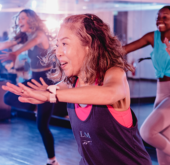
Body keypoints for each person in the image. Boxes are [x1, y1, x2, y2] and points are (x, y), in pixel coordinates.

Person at [3, 13, 152, 165]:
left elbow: (111, 93)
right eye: (57, 45)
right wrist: (44, 91)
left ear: (89, 45)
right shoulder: (71, 84)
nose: (58, 52)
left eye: (65, 44)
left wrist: (51, 95)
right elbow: (54, 90)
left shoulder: (113, 73)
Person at [0, 9, 59, 165]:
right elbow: (6, 43)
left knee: (42, 125)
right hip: (34, 79)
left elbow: (29, 45)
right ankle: (35, 105)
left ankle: (52, 160)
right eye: (19, 19)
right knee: (8, 97)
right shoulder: (24, 36)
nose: (19, 22)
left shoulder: (40, 35)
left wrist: (16, 53)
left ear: (31, 20)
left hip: (45, 83)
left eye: (23, 18)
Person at [123, 6, 170, 165]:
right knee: (163, 147)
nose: (160, 20)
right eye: (158, 16)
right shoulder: (153, 37)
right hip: (161, 92)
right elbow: (123, 50)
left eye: (165, 17)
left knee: (148, 132)